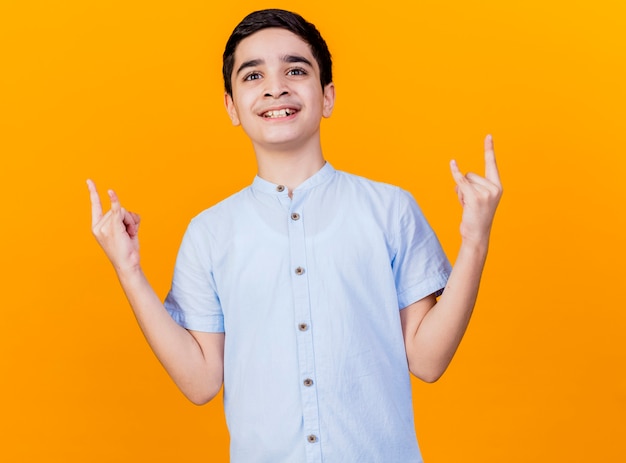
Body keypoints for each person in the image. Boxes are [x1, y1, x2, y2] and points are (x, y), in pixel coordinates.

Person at [87, 8, 502, 463]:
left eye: (295, 70)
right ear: (231, 106)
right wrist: (128, 271)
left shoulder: (389, 209)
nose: (275, 86)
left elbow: (427, 360)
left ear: (327, 97)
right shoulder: (209, 233)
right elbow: (200, 381)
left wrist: (475, 240)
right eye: (252, 75)